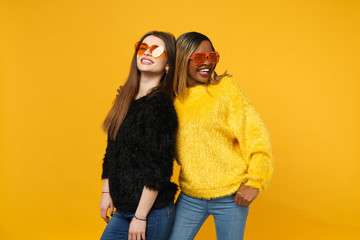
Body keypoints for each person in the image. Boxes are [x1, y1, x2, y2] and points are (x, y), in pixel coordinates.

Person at [168, 32, 274, 240]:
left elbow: (256, 136)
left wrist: (256, 182)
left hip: (231, 197)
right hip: (190, 196)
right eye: (199, 58)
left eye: (212, 56)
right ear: (181, 60)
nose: (207, 63)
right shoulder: (171, 97)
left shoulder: (226, 90)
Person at [99, 31, 178, 240]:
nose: (147, 53)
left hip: (152, 212)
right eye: (143, 48)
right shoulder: (125, 98)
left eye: (157, 50)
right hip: (123, 209)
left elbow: (159, 169)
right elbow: (112, 151)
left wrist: (140, 217)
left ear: (168, 64)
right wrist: (106, 193)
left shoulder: (160, 105)